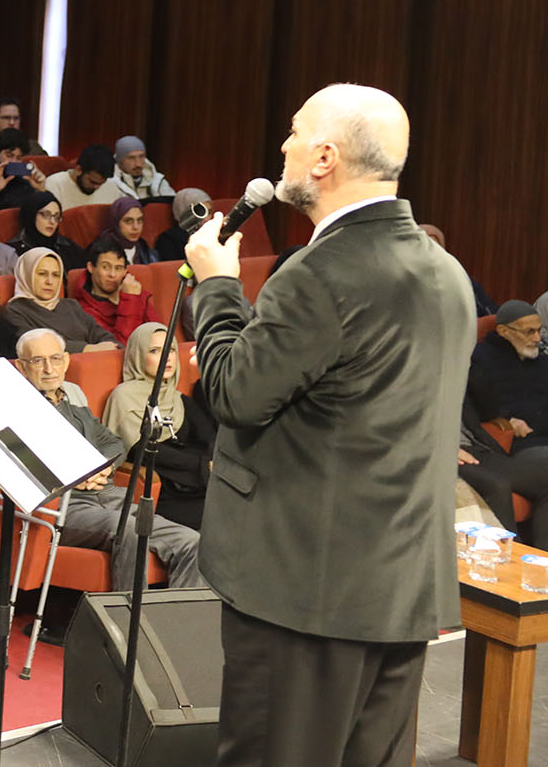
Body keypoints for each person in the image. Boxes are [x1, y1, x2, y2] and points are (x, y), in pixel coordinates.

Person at [182, 84, 468, 765]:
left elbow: (233, 393)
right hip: (396, 588)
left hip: (304, 597)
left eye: (293, 131)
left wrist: (217, 284)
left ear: (324, 157)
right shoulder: (445, 271)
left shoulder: (319, 274)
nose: (283, 144)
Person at [12, 327, 202, 591]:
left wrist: (104, 466)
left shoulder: (72, 396)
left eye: (55, 359)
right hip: (65, 506)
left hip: (111, 496)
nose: (49, 368)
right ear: (21, 367)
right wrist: (76, 475)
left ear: (66, 360)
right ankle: (130, 626)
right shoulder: (14, 408)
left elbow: (111, 441)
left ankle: (174, 624)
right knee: (131, 531)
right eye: (37, 361)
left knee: (192, 542)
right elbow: (20, 463)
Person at [101, 321, 215, 530]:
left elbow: (209, 436)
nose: (167, 357)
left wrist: (212, 462)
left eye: (170, 350)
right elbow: (140, 449)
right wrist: (201, 465)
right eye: (155, 351)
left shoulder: (177, 398)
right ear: (138, 355)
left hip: (197, 482)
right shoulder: (124, 396)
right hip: (162, 490)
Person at [2, 245, 115, 352]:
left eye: (56, 275)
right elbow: (36, 345)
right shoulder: (14, 310)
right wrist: (87, 349)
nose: (50, 282)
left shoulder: (71, 305)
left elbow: (102, 335)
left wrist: (111, 346)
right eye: (42, 274)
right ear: (26, 275)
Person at [469, 297, 548, 448]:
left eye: (539, 330)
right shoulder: (479, 360)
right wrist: (507, 419)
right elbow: (476, 409)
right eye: (529, 332)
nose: (537, 338)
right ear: (503, 331)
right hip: (519, 443)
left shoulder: (543, 361)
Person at [76, 242, 161, 344]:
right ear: (91, 267)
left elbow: (160, 333)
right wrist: (130, 299)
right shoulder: (82, 309)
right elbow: (120, 347)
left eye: (118, 268)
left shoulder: (134, 290)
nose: (112, 274)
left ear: (125, 271)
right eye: (105, 267)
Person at [9, 189, 84, 272]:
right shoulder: (12, 252)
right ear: (31, 215)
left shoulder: (69, 247)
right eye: (46, 215)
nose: (52, 222)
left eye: (56, 216)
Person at [44, 142, 125, 210]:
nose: (97, 188)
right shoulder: (55, 184)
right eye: (92, 182)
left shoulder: (111, 187)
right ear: (79, 170)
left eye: (101, 183)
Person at [153, 187, 213, 261]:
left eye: (209, 212)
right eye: (201, 212)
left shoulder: (215, 234)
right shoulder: (168, 239)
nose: (207, 218)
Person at [113, 135, 174, 200]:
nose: (138, 164)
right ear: (120, 161)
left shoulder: (158, 181)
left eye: (141, 156)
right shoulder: (110, 184)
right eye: (131, 158)